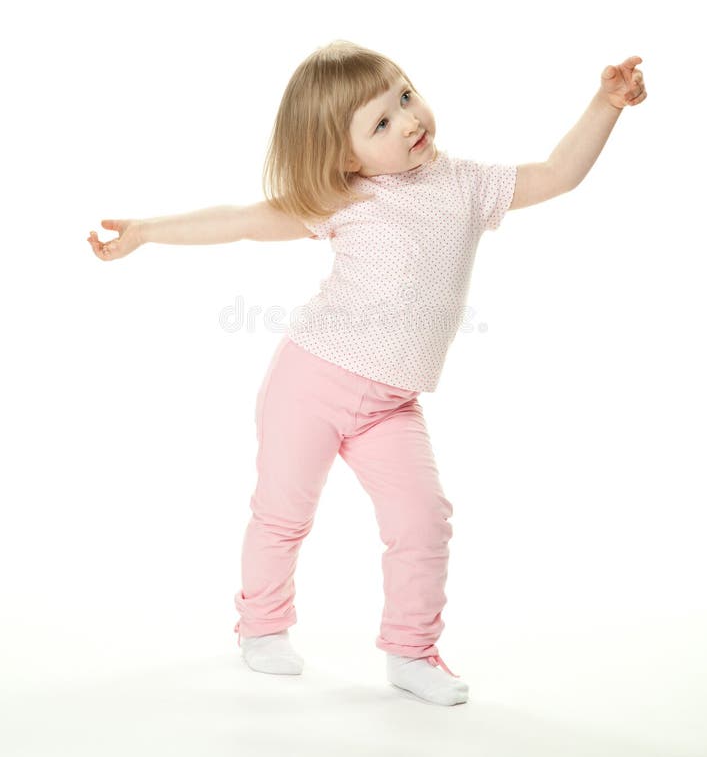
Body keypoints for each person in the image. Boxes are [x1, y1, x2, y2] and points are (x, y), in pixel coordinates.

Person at [87, 40, 647, 706]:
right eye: (380, 123)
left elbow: (556, 173)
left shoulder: (467, 184)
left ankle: (410, 651)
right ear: (345, 156)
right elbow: (239, 221)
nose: (409, 121)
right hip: (311, 385)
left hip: (389, 402)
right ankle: (262, 628)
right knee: (283, 513)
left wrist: (605, 105)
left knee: (422, 520)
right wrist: (147, 231)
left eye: (404, 97)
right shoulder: (339, 197)